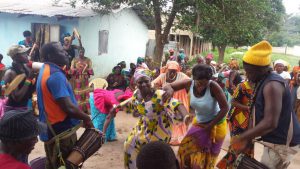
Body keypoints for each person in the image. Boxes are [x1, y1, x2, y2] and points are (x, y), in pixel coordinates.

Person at [103, 68, 191, 169]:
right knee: (128, 145)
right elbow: (132, 102)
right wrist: (118, 107)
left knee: (153, 155)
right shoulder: (137, 93)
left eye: (146, 81)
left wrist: (186, 116)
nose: (144, 84)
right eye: (140, 82)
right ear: (136, 83)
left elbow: (176, 104)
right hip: (143, 126)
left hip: (160, 129)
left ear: (151, 81)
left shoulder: (159, 94)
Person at [231, 40, 300, 169]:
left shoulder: (272, 85)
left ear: (260, 69)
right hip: (274, 141)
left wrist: (243, 137)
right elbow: (253, 110)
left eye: (249, 71)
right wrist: (248, 139)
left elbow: (270, 122)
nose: (247, 75)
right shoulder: (261, 81)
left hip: (282, 143)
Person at [37, 42, 93, 169]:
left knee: (52, 162)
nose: (66, 53)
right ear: (51, 56)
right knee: (64, 164)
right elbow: (68, 107)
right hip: (60, 132)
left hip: (48, 128)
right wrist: (86, 118)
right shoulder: (55, 75)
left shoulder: (44, 70)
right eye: (62, 51)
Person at [163, 64, 229, 169]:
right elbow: (168, 86)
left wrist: (210, 126)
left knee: (210, 156)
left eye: (205, 83)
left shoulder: (213, 86)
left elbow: (225, 108)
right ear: (194, 78)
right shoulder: (189, 83)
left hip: (217, 125)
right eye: (199, 83)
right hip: (199, 122)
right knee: (185, 150)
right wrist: (170, 90)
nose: (201, 86)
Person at [217, 80, 254, 169]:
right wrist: (248, 108)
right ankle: (229, 166)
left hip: (252, 119)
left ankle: (242, 165)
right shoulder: (242, 86)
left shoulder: (261, 86)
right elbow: (233, 102)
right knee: (236, 145)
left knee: (248, 145)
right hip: (238, 119)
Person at [152, 61, 191, 145]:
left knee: (179, 117)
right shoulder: (163, 76)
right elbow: (154, 84)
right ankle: (166, 135)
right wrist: (159, 90)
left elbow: (189, 82)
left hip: (180, 98)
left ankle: (177, 137)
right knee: (167, 117)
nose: (172, 72)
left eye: (174, 70)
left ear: (177, 70)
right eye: (170, 70)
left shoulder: (182, 75)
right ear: (167, 69)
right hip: (167, 99)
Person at [2, 45, 35, 111]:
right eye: (23, 53)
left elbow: (29, 92)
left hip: (24, 107)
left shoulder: (26, 69)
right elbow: (17, 97)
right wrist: (28, 79)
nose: (26, 55)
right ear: (16, 56)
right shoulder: (10, 73)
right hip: (14, 110)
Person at [70, 47, 93, 114]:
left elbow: (90, 68)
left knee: (86, 94)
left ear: (84, 52)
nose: (81, 53)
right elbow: (71, 69)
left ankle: (87, 110)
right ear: (78, 52)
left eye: (82, 52)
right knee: (78, 94)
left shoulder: (88, 60)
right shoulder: (74, 60)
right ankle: (80, 111)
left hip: (85, 79)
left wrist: (86, 70)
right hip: (77, 80)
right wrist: (77, 70)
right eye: (80, 52)